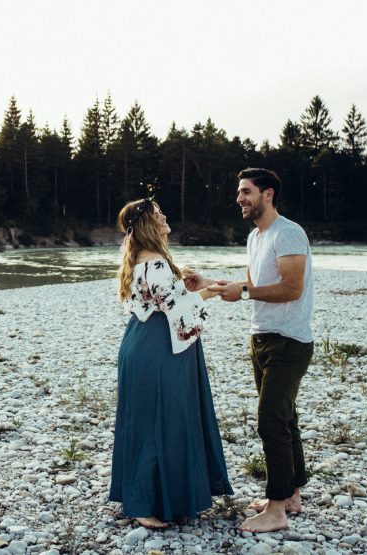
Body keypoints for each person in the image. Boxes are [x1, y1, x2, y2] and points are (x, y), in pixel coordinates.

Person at [109, 198, 233, 529]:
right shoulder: (157, 263)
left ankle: (162, 499)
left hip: (145, 343)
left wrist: (189, 285)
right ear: (149, 223)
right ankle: (144, 503)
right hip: (160, 349)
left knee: (153, 422)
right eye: (159, 214)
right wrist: (211, 293)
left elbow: (164, 299)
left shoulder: (143, 259)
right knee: (163, 423)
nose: (165, 217)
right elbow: (175, 311)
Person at [208, 168, 314, 533]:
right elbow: (253, 285)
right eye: (239, 192)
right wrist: (213, 285)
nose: (239, 198)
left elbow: (291, 288)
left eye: (246, 192)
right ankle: (292, 495)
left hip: (290, 339)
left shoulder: (289, 233)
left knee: (270, 420)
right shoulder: (255, 237)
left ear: (267, 194)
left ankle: (276, 511)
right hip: (262, 337)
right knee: (285, 419)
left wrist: (247, 292)